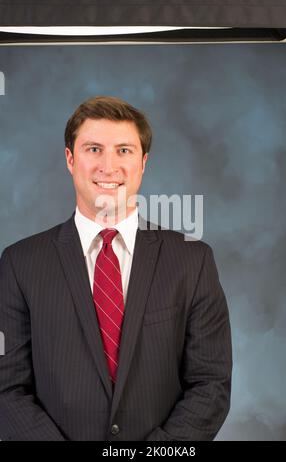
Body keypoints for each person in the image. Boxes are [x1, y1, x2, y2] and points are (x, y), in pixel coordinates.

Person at [0, 96, 232, 441]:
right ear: (70, 159)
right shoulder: (20, 263)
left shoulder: (192, 260)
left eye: (124, 150)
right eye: (93, 149)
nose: (108, 166)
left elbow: (210, 383)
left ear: (143, 163)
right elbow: (7, 389)